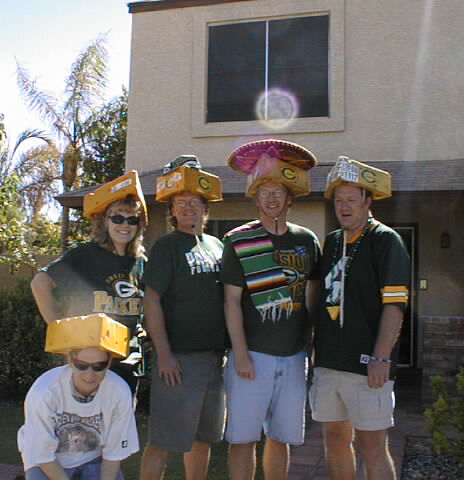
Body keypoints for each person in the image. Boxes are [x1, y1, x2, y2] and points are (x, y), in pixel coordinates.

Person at [221, 139, 321, 480]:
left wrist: (312, 343)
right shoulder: (239, 240)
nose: (272, 197)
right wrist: (240, 353)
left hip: (294, 356)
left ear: (290, 197)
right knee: (243, 439)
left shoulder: (307, 240)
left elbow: (313, 294)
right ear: (256, 197)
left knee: (281, 438)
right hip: (252, 356)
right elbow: (231, 302)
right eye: (265, 191)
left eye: (278, 191)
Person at [310, 156, 410, 480]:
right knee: (335, 439)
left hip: (368, 366)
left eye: (352, 199)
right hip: (329, 363)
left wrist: (381, 356)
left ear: (368, 201)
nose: (344, 206)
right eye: (339, 200)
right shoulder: (332, 241)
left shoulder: (386, 240)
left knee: (373, 447)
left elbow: (395, 306)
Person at [139, 155, 227, 480]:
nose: (188, 207)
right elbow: (151, 300)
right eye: (181, 202)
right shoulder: (166, 247)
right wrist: (164, 355)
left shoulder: (217, 246)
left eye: (194, 202)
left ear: (205, 208)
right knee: (163, 440)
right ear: (172, 210)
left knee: (203, 438)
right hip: (178, 360)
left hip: (214, 360)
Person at [31, 171, 147, 394]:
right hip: (89, 365)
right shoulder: (84, 256)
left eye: (132, 219)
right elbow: (40, 283)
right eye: (117, 218)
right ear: (104, 221)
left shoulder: (141, 263)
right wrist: (59, 331)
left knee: (121, 416)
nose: (125, 225)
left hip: (128, 364)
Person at [18, 315, 139, 480]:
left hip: (94, 458)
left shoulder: (119, 392)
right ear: (70, 360)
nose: (89, 375)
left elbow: (113, 455)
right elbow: (43, 456)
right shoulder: (44, 392)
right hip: (46, 461)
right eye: (82, 365)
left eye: (99, 366)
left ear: (109, 362)